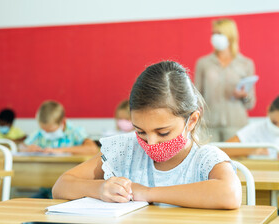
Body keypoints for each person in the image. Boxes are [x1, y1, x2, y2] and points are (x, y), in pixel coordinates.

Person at [52, 61, 241, 209]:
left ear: (191, 121)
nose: (150, 142)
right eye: (140, 131)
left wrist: (148, 193)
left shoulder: (205, 158)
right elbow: (61, 186)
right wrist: (100, 189)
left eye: (163, 132)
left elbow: (230, 194)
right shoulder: (125, 149)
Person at [195, 18, 256, 142]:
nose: (215, 37)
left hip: (236, 125)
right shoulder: (203, 63)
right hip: (209, 125)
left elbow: (251, 103)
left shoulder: (245, 63)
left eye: (219, 33)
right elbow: (196, 96)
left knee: (236, 160)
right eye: (213, 33)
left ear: (230, 36)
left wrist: (244, 96)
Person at [23, 101, 98, 155]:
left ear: (63, 121)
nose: (46, 133)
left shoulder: (75, 131)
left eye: (50, 130)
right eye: (44, 129)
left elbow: (93, 149)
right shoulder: (40, 132)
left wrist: (61, 150)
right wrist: (27, 149)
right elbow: (22, 145)